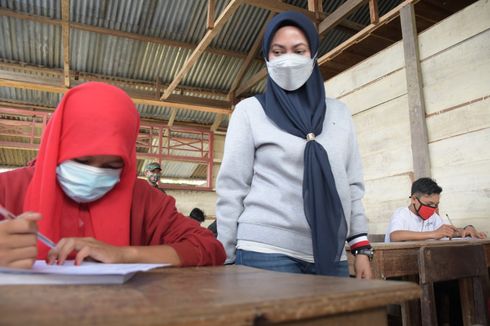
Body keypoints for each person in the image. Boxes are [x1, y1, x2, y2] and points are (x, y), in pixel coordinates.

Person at [0, 82, 225, 269]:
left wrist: (125, 255)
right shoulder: (8, 189)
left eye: (112, 164)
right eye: (82, 160)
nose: (95, 173)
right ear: (57, 146)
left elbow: (209, 248)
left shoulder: (145, 200)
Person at [216, 12, 373, 278]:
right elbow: (232, 187)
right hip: (263, 251)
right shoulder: (250, 111)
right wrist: (226, 256)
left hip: (328, 253)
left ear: (312, 55)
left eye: (298, 50)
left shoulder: (339, 113)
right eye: (278, 52)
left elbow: (351, 184)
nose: (288, 60)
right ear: (267, 58)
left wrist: (360, 249)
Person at [385, 177, 486, 242]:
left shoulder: (433, 216)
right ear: (414, 199)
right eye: (429, 204)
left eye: (436, 204)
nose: (433, 208)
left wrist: (466, 230)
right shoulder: (401, 214)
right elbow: (395, 236)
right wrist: (434, 234)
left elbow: (444, 231)